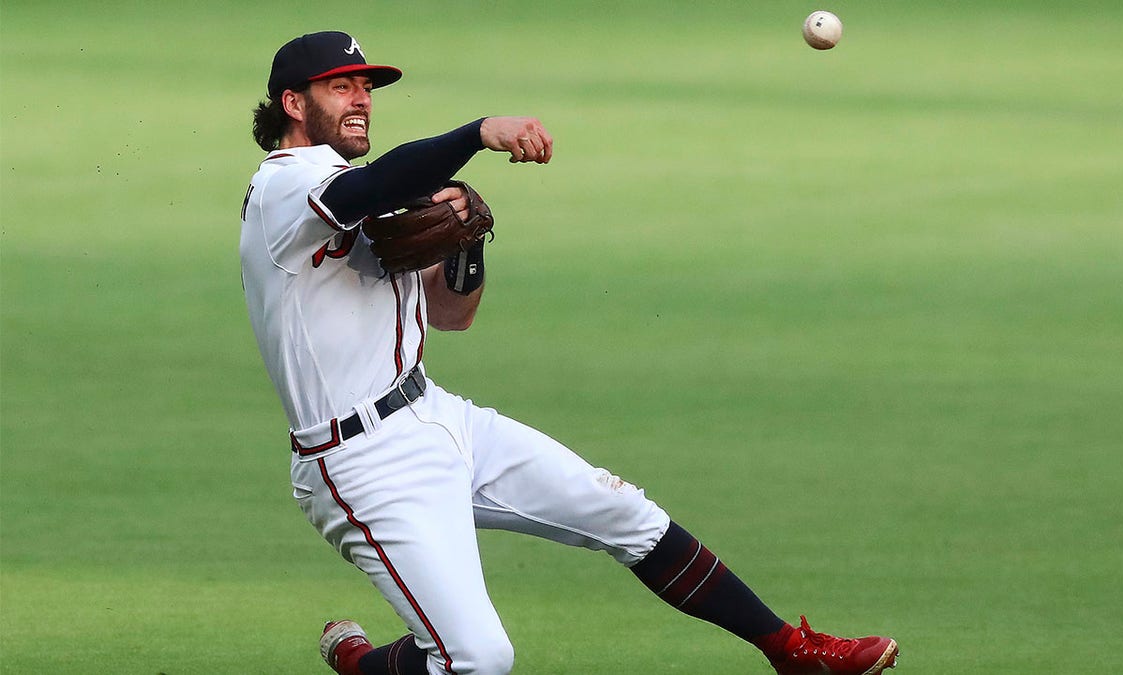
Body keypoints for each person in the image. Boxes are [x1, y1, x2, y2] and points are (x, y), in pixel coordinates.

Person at [240, 31, 898, 675]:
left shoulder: (362, 195)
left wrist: (466, 240)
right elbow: (368, 189)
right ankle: (365, 662)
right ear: (295, 103)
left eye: (366, 87)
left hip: (438, 418)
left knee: (627, 515)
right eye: (341, 87)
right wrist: (475, 135)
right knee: (478, 657)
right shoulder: (285, 189)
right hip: (360, 464)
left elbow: (451, 315)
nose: (361, 99)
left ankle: (792, 651)